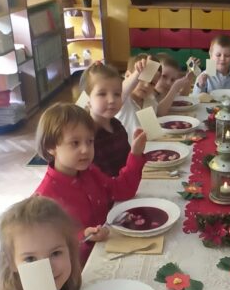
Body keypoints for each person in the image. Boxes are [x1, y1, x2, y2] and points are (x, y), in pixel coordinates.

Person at [33, 104, 147, 263]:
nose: (85, 149)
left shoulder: (91, 172)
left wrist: (135, 154)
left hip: (109, 250)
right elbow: (44, 246)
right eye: (75, 143)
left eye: (90, 141)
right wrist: (83, 236)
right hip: (81, 266)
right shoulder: (44, 198)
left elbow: (122, 190)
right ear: (51, 147)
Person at [119, 53, 194, 141]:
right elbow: (122, 90)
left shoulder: (149, 101)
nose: (146, 85)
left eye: (152, 83)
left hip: (145, 147)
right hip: (124, 149)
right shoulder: (122, 100)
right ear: (128, 76)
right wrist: (136, 73)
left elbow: (153, 133)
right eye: (141, 79)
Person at [83, 62, 131, 176]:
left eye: (117, 94)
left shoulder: (117, 125)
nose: (111, 100)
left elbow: (128, 161)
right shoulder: (86, 135)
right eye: (102, 94)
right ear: (87, 98)